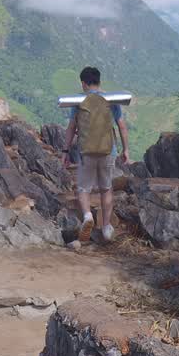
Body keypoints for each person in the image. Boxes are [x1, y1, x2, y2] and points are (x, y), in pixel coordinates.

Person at [61, 66, 130, 243]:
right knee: (106, 188)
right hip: (108, 151)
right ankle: (106, 227)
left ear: (83, 83)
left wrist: (65, 151)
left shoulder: (78, 101)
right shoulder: (110, 100)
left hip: (86, 152)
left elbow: (71, 128)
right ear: (99, 82)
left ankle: (87, 216)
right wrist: (126, 150)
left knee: (83, 188)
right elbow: (121, 126)